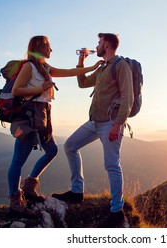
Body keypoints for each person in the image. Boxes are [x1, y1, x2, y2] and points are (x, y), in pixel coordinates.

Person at [8, 35, 102, 216]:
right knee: (18, 160)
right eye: (48, 46)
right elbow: (16, 91)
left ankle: (28, 187)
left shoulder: (44, 67)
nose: (51, 49)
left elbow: (68, 72)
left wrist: (91, 66)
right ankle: (14, 199)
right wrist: (41, 88)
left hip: (42, 116)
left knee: (52, 151)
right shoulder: (29, 67)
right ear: (39, 47)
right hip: (28, 117)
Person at [52, 33, 133, 227]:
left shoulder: (120, 66)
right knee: (70, 146)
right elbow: (82, 83)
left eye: (99, 43)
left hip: (110, 123)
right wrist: (81, 62)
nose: (96, 46)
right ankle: (77, 191)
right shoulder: (103, 67)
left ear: (107, 44)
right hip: (94, 122)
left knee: (112, 165)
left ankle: (117, 211)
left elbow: (128, 97)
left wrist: (118, 123)